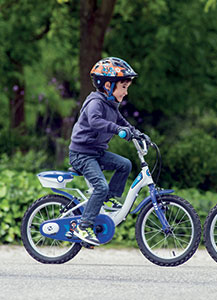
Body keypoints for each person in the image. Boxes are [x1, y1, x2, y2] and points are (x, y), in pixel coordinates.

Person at [69, 57, 149, 246]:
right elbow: (96, 121)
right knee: (100, 186)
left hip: (96, 153)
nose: (126, 92)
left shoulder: (111, 104)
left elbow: (122, 122)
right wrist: (119, 131)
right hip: (82, 154)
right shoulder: (95, 102)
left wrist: (137, 133)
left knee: (125, 164)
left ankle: (108, 200)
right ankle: (83, 225)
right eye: (123, 87)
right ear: (107, 85)